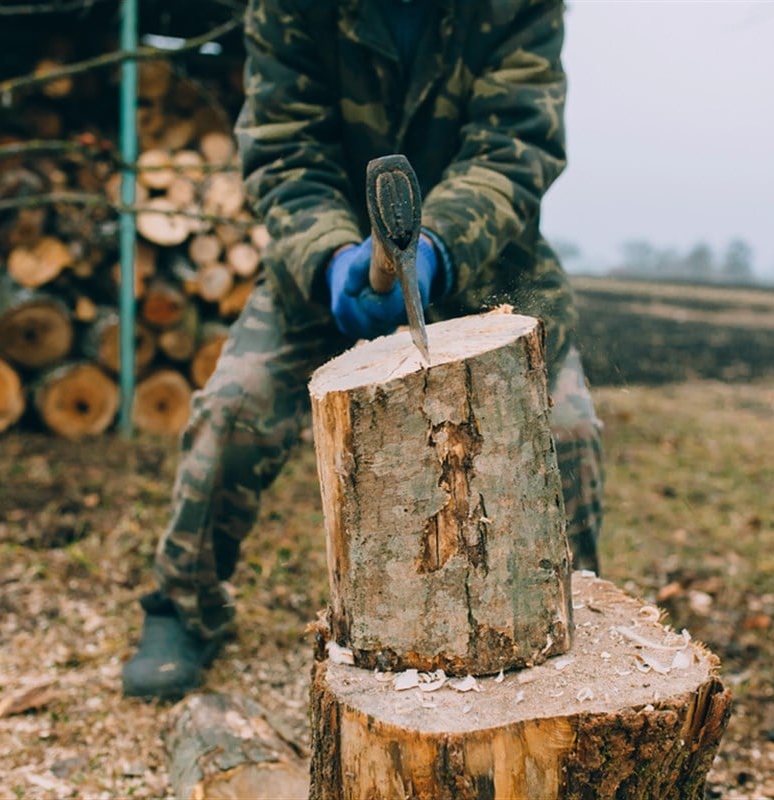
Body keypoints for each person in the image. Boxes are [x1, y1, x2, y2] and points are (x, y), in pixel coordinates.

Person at [122, 0, 604, 700]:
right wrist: (330, 263)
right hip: (329, 268)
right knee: (234, 408)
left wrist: (436, 247)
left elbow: (517, 146)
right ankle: (183, 606)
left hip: (484, 265)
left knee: (569, 431)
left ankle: (574, 623)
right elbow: (285, 151)